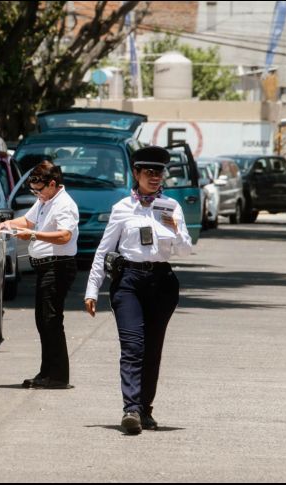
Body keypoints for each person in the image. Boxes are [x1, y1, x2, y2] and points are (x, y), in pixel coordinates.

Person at [84, 146, 192, 435]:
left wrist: (175, 230)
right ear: (136, 173)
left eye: (159, 172)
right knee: (133, 346)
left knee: (152, 349)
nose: (155, 177)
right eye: (149, 172)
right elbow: (103, 251)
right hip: (129, 281)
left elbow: (185, 250)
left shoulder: (171, 206)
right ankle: (130, 408)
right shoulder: (122, 208)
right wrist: (92, 289)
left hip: (162, 283)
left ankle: (145, 408)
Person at [0, 160, 79, 389]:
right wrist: (8, 223)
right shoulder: (45, 200)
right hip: (45, 266)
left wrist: (32, 235)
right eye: (33, 191)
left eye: (39, 190)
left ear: (52, 184)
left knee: (51, 320)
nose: (37, 194)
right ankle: (47, 372)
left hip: (58, 266)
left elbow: (64, 235)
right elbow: (28, 220)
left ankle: (58, 376)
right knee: (43, 321)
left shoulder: (64, 204)